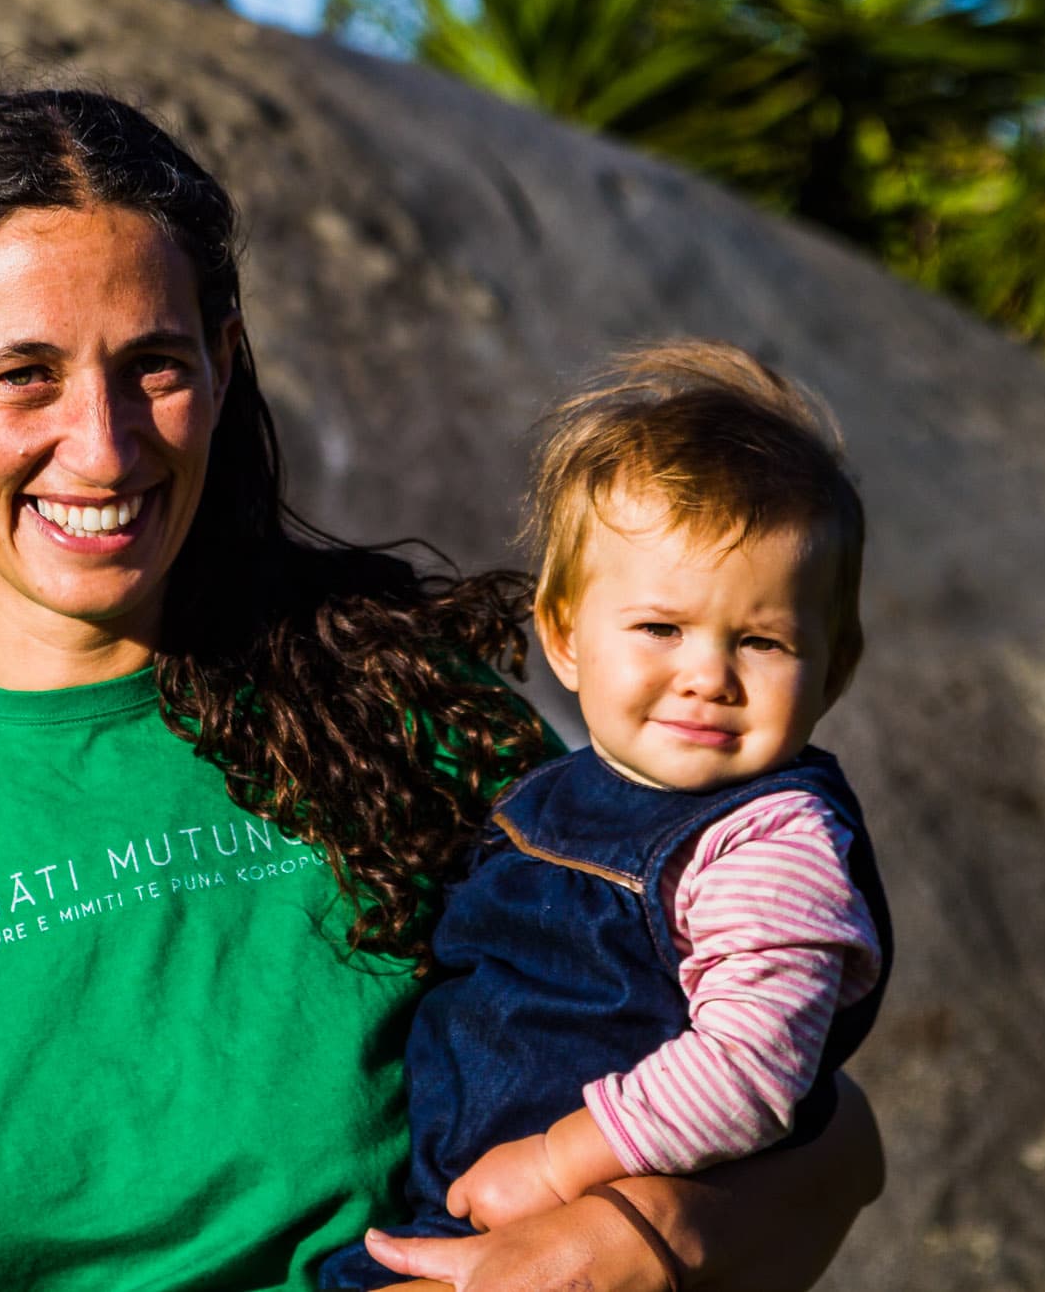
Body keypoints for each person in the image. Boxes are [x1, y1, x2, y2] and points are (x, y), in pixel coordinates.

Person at [0, 90, 884, 1292]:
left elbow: (829, 1140)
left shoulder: (401, 701)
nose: (104, 446)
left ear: (223, 364)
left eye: (154, 365)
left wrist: (632, 1243)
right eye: (25, 374)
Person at [322, 343, 893, 1289]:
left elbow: (751, 1067)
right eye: (662, 628)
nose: (708, 675)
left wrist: (562, 1162)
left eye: (761, 641)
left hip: (573, 1216)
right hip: (463, 1200)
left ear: (832, 670)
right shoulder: (556, 792)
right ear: (564, 635)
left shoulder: (769, 843)